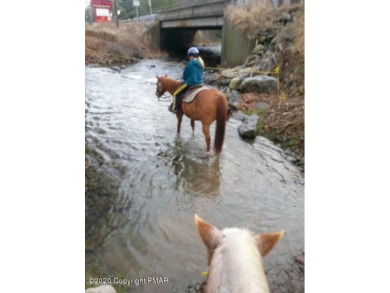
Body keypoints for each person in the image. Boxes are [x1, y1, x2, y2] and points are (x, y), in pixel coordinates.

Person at [168, 47, 205, 114]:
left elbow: (185, 75)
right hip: (200, 83)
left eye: (189, 56)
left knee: (176, 93)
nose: (189, 58)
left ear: (191, 56)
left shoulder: (190, 63)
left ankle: (174, 108)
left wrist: (185, 79)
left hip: (190, 83)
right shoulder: (201, 63)